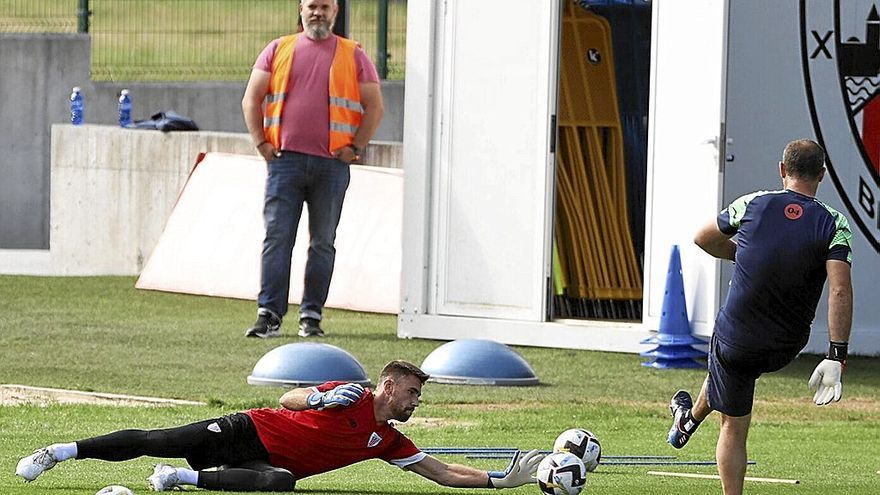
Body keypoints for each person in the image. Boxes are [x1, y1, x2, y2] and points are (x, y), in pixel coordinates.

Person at [16, 360, 543, 492]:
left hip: (265, 462)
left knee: (282, 483)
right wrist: (319, 394)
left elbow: (444, 473)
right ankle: (58, 452)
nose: (416, 400)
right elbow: (288, 397)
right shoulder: (353, 394)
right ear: (388, 387)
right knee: (160, 438)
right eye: (412, 392)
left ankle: (178, 480)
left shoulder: (389, 440)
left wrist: (501, 480)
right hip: (249, 429)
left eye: (419, 395)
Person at [666, 139, 854, 495]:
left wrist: (740, 253)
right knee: (727, 373)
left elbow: (702, 237)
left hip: (738, 338)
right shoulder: (834, 222)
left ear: (782, 170)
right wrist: (836, 355)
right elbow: (840, 290)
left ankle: (699, 438)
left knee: (733, 424)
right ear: (823, 175)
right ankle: (687, 422)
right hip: (786, 345)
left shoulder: (753, 203)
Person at [241, 0, 385, 339]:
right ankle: (269, 314)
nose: (317, 12)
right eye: (311, 6)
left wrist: (356, 147)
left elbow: (375, 106)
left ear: (335, 11)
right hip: (284, 162)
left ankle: (311, 316)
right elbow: (252, 98)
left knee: (323, 242)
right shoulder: (278, 49)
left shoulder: (353, 55)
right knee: (277, 239)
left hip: (332, 164)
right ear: (301, 10)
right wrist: (261, 142)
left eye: (324, 6)